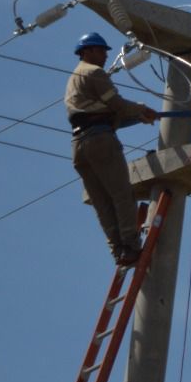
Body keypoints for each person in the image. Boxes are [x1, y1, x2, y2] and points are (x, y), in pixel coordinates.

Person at [66, 31, 159, 266]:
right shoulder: (94, 72)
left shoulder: (75, 78)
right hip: (100, 141)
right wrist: (141, 109)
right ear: (85, 52)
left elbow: (104, 116)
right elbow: (116, 105)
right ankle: (131, 245)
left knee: (102, 201)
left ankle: (118, 250)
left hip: (80, 146)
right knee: (122, 195)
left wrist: (138, 117)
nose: (105, 55)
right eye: (100, 50)